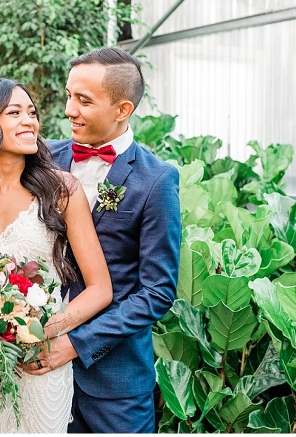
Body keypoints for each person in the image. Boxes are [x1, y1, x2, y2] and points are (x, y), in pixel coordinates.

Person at [0, 78, 113, 433]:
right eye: (14, 113)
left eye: (31, 112)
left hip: (38, 364)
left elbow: (100, 289)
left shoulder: (62, 191)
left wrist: (39, 331)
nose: (29, 121)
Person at [25, 48, 181, 433]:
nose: (68, 110)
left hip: (116, 386)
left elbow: (157, 292)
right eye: (68, 96)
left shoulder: (156, 180)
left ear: (122, 109)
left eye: (83, 100)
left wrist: (75, 343)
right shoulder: (44, 158)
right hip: (34, 367)